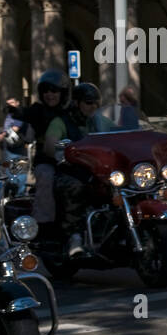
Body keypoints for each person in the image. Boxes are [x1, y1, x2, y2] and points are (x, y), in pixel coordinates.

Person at [45, 83, 112, 257]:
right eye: (89, 102)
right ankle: (74, 237)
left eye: (96, 103)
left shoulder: (100, 121)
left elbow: (118, 132)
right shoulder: (61, 122)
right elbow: (50, 144)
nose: (94, 107)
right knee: (75, 187)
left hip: (98, 172)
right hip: (70, 172)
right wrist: (62, 150)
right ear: (76, 103)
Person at [23, 70, 70, 228]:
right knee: (46, 176)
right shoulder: (37, 111)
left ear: (62, 93)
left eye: (54, 91)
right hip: (46, 160)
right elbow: (28, 136)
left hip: (70, 160)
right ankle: (43, 223)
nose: (50, 94)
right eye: (46, 91)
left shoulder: (69, 113)